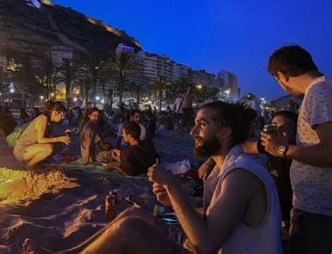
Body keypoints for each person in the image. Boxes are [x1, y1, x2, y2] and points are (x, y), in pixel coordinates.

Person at [22, 102, 282, 254]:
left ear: (225, 132)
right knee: (133, 214)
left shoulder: (241, 174)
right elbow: (216, 215)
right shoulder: (226, 166)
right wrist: (172, 203)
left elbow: (206, 243)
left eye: (202, 124)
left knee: (131, 229)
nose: (192, 131)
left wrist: (172, 185)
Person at [262, 45, 332, 254]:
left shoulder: (320, 92)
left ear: (281, 76)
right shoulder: (321, 90)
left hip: (319, 210)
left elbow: (330, 152)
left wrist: (283, 149)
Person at [198, 110, 297, 224]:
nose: (279, 131)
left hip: (288, 209)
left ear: (296, 131)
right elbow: (240, 146)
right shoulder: (270, 146)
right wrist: (210, 162)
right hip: (272, 202)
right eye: (274, 126)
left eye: (286, 127)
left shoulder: (302, 153)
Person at [12, 101, 71, 169]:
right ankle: (29, 166)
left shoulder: (50, 122)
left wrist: (63, 136)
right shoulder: (43, 119)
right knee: (48, 149)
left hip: (32, 148)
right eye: (62, 115)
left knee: (58, 146)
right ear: (55, 113)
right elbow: (41, 140)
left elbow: (50, 138)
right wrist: (60, 138)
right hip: (21, 151)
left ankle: (38, 163)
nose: (62, 118)